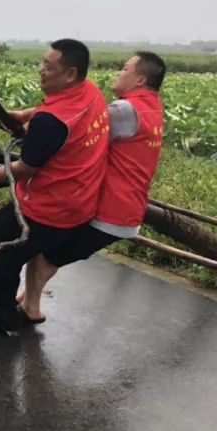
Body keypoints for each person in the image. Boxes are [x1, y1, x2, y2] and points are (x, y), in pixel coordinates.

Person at [0, 39, 111, 344]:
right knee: (11, 256)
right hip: (77, 207)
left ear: (70, 73)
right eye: (42, 61)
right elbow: (51, 115)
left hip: (46, 210)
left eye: (49, 66)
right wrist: (26, 115)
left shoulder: (52, 122)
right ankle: (4, 320)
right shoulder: (89, 92)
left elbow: (26, 168)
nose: (41, 69)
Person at [15, 51, 167, 325]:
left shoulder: (125, 111)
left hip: (108, 210)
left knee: (44, 255)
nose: (119, 72)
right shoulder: (152, 108)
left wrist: (30, 125)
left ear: (140, 79)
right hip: (128, 210)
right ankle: (27, 299)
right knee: (49, 251)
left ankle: (31, 308)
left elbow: (74, 121)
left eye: (125, 68)